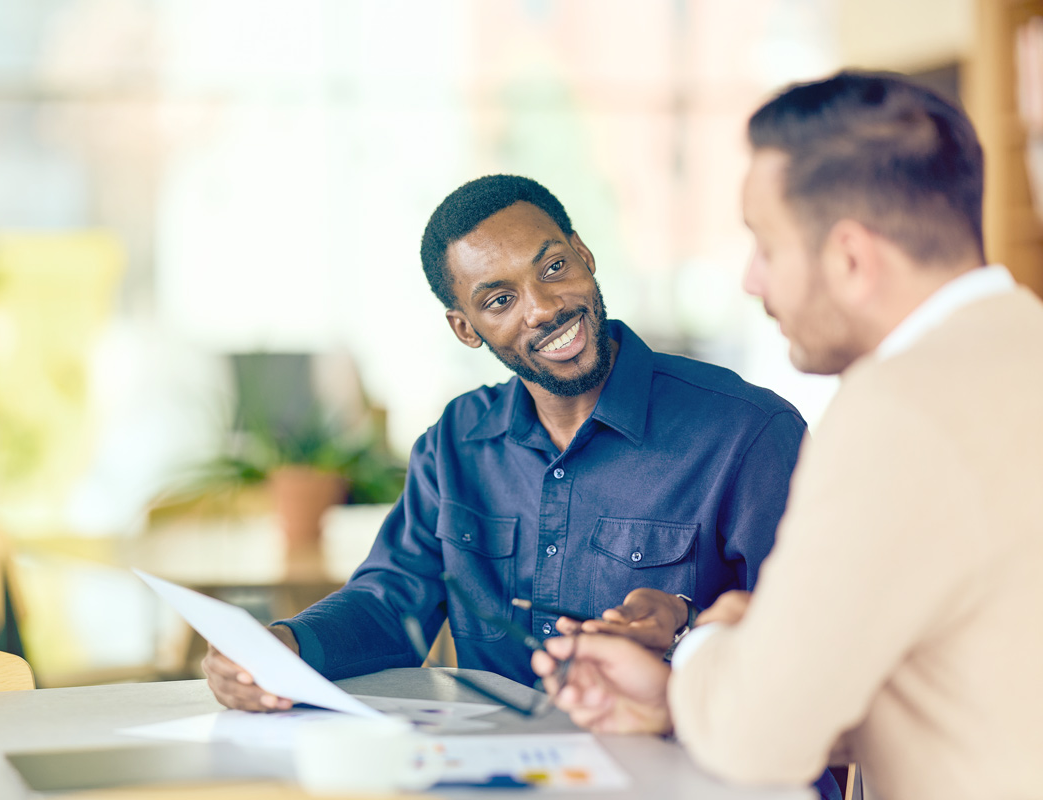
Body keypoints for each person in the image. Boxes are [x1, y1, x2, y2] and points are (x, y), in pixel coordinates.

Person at [534, 71, 1043, 800]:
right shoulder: (1021, 352)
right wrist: (689, 686)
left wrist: (719, 634)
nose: (751, 280)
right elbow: (974, 682)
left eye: (765, 246)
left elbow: (757, 740)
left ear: (849, 258)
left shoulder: (896, 413)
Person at [203, 174, 806, 713]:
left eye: (553, 268)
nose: (543, 308)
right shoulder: (456, 442)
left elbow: (809, 646)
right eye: (499, 300)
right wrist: (282, 647)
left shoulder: (747, 433)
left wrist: (684, 628)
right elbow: (393, 602)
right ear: (466, 329)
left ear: (585, 255)